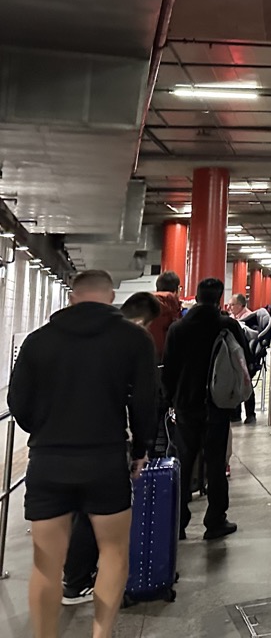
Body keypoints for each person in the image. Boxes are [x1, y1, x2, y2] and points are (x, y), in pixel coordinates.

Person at [9, 269, 157, 638]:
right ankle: (101, 634)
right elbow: (145, 401)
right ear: (110, 298)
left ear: (72, 298)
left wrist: (46, 432)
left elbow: (18, 403)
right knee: (113, 553)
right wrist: (141, 449)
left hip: (49, 462)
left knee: (46, 565)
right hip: (105, 460)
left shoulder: (37, 341)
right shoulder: (134, 339)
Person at [162, 277, 249, 541]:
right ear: (220, 298)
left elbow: (169, 369)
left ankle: (178, 522)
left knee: (184, 463)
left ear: (197, 297)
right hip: (217, 406)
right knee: (215, 463)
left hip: (186, 406)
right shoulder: (227, 325)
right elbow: (245, 360)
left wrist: (170, 400)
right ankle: (215, 521)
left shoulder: (178, 328)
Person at [228, 294, 271, 425]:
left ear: (241, 305)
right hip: (237, 357)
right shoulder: (233, 318)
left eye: (232, 305)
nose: (229, 307)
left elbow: (253, 337)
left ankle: (250, 414)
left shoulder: (250, 319)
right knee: (235, 384)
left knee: (245, 385)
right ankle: (236, 414)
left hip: (247, 359)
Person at [150, 271, 182, 358]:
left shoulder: (145, 305)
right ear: (177, 290)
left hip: (146, 359)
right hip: (167, 360)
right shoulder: (173, 309)